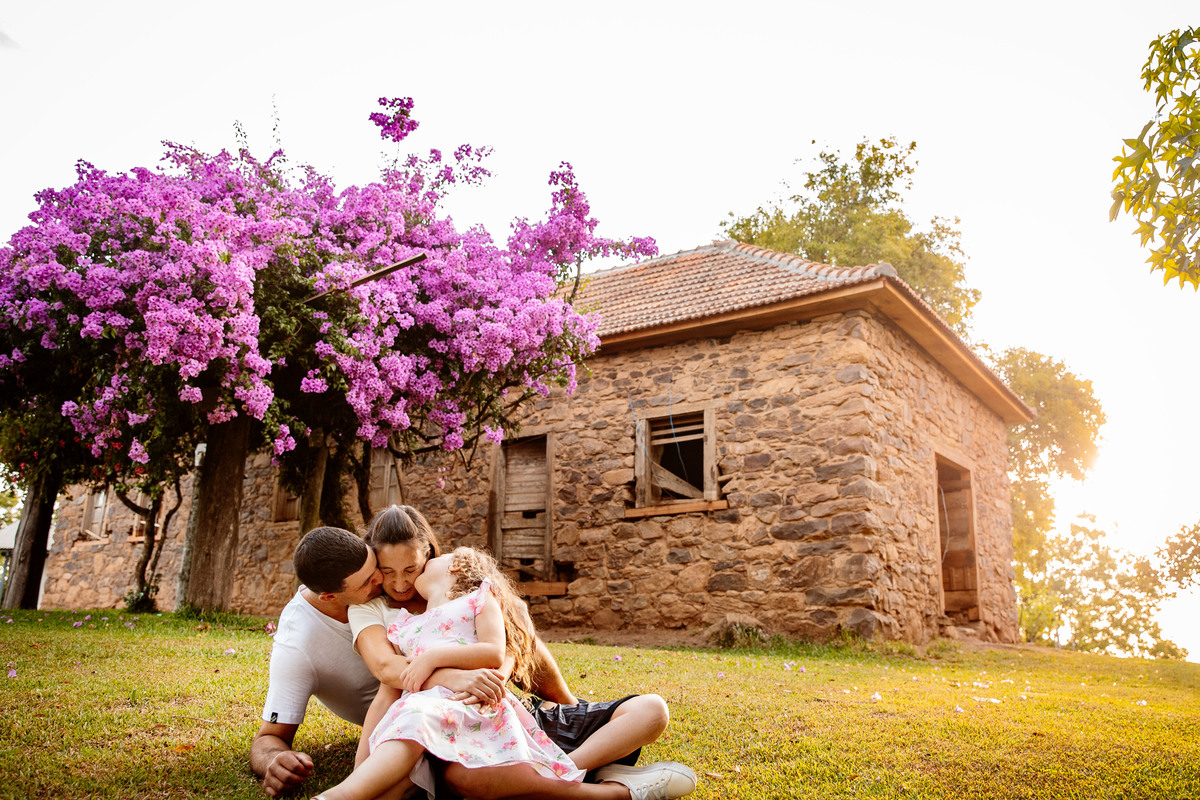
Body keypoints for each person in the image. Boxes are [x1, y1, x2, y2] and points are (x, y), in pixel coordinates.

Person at [251, 514, 695, 800]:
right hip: (441, 722)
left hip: (508, 711)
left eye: (406, 570)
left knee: (650, 709)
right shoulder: (361, 613)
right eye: (380, 576)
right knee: (461, 778)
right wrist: (282, 762)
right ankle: (598, 785)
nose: (394, 585)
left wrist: (547, 694)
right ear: (334, 595)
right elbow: (389, 674)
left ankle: (564, 766)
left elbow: (515, 641)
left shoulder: (458, 588)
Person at [316, 547, 591, 799]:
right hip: (419, 709)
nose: (406, 582)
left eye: (417, 569)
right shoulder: (410, 624)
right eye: (389, 572)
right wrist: (359, 767)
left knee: (414, 721)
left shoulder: (478, 598)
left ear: (455, 567)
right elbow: (386, 690)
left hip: (463, 704)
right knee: (396, 757)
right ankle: (352, 789)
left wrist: (434, 658)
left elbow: (496, 651)